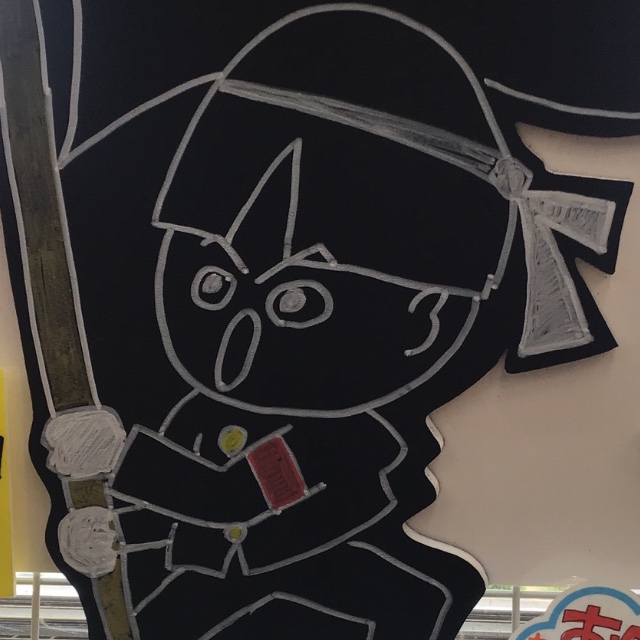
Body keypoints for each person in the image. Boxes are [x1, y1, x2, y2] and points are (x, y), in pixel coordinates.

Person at [42, 6, 626, 639]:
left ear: (425, 319)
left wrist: (119, 458)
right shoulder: (194, 417)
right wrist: (102, 537)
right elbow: (172, 512)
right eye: (215, 285)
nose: (237, 339)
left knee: (413, 600)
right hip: (216, 577)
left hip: (294, 568)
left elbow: (233, 496)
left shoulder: (338, 440)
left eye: (296, 302)